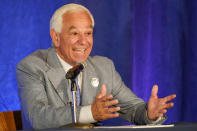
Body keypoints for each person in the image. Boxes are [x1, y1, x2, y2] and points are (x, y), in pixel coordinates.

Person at [16, 3, 176, 130]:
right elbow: (38, 118)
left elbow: (133, 109)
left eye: (88, 33)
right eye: (74, 34)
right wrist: (89, 113)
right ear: (56, 37)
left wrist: (149, 112)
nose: (83, 41)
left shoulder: (103, 67)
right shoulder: (32, 67)